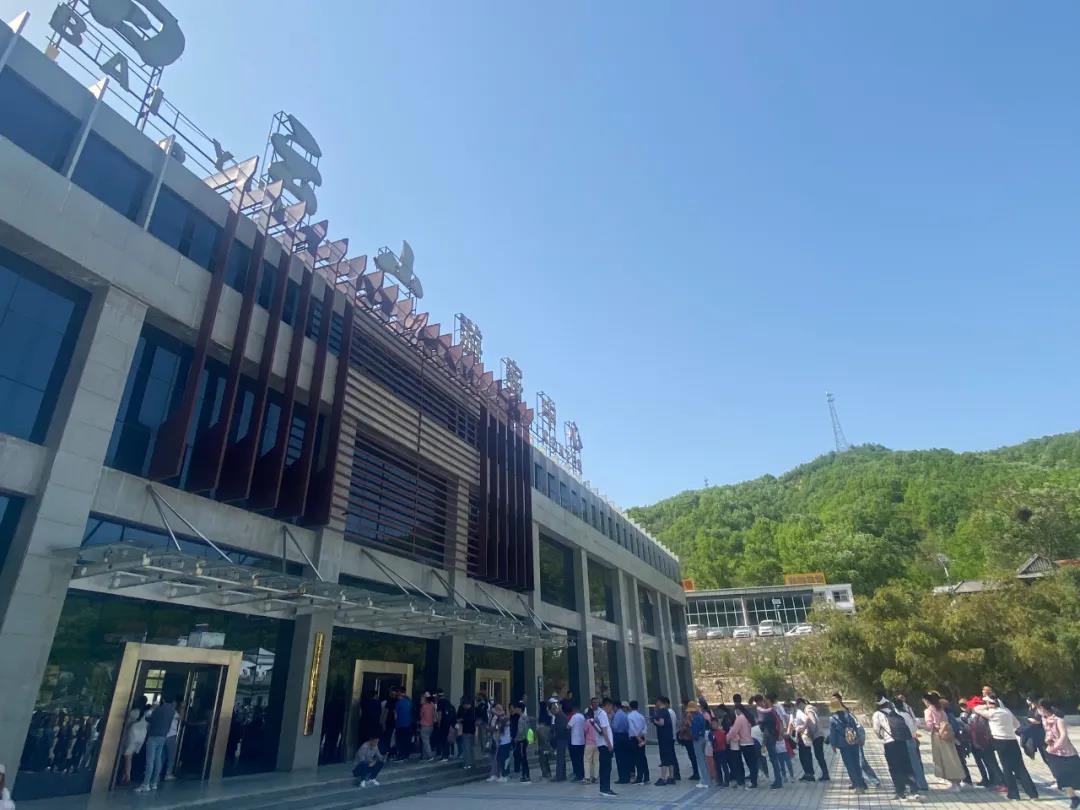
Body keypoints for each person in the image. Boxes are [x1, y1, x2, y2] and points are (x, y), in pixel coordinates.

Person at [973, 696, 1038, 801]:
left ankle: (1014, 794)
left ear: (991, 703)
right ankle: (1033, 794)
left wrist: (987, 705)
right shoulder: (1007, 711)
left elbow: (976, 709)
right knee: (1020, 767)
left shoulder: (992, 713)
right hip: (1012, 740)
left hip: (999, 741)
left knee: (1007, 768)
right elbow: (1017, 724)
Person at [872, 694, 921, 801]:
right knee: (906, 765)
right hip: (902, 741)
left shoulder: (877, 714)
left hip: (890, 743)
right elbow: (911, 727)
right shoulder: (896, 712)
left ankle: (900, 792)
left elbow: (876, 729)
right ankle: (914, 790)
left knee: (895, 768)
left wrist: (881, 736)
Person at [1038, 699, 1080, 809]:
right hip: (1054, 754)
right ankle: (1074, 798)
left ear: (1042, 708)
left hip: (1067, 753)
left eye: (1039, 708)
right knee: (1062, 777)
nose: (1038, 711)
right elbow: (1048, 732)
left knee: (1076, 776)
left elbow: (1063, 736)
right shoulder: (1044, 719)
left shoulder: (1058, 720)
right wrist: (1048, 742)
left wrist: (1055, 746)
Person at [923, 692, 965, 790]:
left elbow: (929, 726)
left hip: (938, 735)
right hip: (948, 734)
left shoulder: (928, 711)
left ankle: (953, 783)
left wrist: (918, 725)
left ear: (927, 701)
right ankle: (957, 781)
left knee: (944, 759)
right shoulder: (940, 709)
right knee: (952, 757)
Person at [136, 696, 176, 792]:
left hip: (153, 736)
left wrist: (153, 708)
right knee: (158, 759)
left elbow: (148, 717)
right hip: (163, 736)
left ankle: (146, 784)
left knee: (150, 760)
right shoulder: (172, 711)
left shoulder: (159, 709)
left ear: (164, 700)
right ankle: (154, 783)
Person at [828, 697, 867, 793]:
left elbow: (833, 734)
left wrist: (833, 745)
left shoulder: (833, 719)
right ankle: (860, 783)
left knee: (850, 765)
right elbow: (855, 728)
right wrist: (858, 739)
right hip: (854, 742)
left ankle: (858, 786)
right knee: (856, 764)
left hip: (844, 745)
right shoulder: (848, 715)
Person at [894, 695, 930, 791]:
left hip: (900, 741)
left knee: (905, 764)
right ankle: (921, 784)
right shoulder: (906, 713)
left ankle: (909, 784)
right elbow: (913, 726)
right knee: (915, 762)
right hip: (910, 739)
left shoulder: (895, 715)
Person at [756, 695, 786, 790]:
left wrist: (763, 743)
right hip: (773, 736)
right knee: (774, 759)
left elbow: (765, 727)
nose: (763, 703)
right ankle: (778, 780)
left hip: (769, 737)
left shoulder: (767, 712)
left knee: (774, 759)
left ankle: (778, 781)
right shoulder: (772, 711)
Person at [119, 699, 148, 786]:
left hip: (132, 735)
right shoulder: (145, 713)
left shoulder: (133, 712)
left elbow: (126, 724)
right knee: (130, 756)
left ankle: (127, 776)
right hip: (142, 736)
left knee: (127, 756)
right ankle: (125, 774)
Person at [729, 701, 757, 787]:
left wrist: (728, 738)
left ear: (738, 710)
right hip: (753, 742)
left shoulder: (740, 718)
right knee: (753, 763)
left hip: (745, 743)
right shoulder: (749, 716)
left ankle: (753, 782)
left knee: (749, 764)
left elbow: (734, 731)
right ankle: (754, 781)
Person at [652, 696, 677, 786]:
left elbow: (661, 723)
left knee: (664, 757)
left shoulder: (661, 711)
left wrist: (654, 721)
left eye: (656, 702)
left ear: (659, 702)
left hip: (663, 738)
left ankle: (663, 778)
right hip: (669, 737)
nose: (656, 704)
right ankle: (671, 777)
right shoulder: (667, 711)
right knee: (670, 757)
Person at [595, 697, 616, 797]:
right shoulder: (603, 714)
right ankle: (605, 789)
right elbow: (604, 731)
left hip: (602, 744)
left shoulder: (599, 713)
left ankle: (605, 788)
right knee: (606, 768)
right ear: (608, 705)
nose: (611, 709)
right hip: (605, 745)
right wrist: (609, 744)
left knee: (605, 767)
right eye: (611, 707)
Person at [685, 701, 709, 789]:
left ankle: (704, 781)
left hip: (697, 740)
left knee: (700, 760)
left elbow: (694, 731)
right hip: (703, 738)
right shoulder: (701, 716)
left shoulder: (694, 718)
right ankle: (707, 779)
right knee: (704, 760)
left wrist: (690, 723)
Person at [486, 704, 512, 783]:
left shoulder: (504, 719)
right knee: (500, 758)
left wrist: (493, 728)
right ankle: (502, 774)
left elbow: (500, 729)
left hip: (505, 741)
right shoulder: (498, 718)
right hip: (501, 741)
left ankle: (504, 775)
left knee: (502, 758)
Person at [510, 701, 533, 783]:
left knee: (523, 758)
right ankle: (526, 774)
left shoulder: (521, 719)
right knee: (524, 758)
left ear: (520, 709)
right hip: (526, 739)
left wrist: (516, 739)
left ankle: (525, 775)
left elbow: (520, 731)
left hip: (521, 740)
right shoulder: (526, 717)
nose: (515, 709)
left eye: (516, 708)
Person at [628, 700, 650, 785]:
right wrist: (641, 736)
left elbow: (632, 728)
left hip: (634, 739)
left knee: (637, 758)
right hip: (642, 737)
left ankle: (639, 777)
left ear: (630, 707)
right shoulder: (641, 716)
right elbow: (645, 727)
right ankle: (646, 777)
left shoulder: (630, 716)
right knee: (643, 757)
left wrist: (637, 738)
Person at [678, 701, 701, 782]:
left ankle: (696, 773)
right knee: (695, 756)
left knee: (692, 756)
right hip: (694, 737)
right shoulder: (697, 714)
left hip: (688, 738)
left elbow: (685, 726)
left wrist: (680, 732)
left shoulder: (688, 715)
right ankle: (697, 772)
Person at [611, 699, 631, 784]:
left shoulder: (617, 715)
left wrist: (611, 724)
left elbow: (615, 727)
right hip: (625, 736)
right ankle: (627, 776)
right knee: (626, 758)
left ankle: (622, 778)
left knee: (619, 758)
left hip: (618, 736)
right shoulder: (624, 714)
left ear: (615, 706)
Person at [163, 697, 181, 781]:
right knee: (171, 755)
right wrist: (183, 708)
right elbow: (181, 718)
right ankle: (168, 773)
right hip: (171, 735)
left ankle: (157, 772)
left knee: (162, 755)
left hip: (162, 735)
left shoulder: (161, 709)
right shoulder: (173, 711)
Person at [536, 696, 554, 779]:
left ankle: (545, 773)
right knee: (545, 756)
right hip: (547, 740)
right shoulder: (549, 717)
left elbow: (540, 730)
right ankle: (548, 772)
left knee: (542, 757)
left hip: (542, 742)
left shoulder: (541, 718)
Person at [568, 702, 586, 782]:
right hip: (582, 740)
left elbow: (568, 726)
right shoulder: (582, 717)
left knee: (576, 759)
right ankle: (583, 773)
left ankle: (578, 775)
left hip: (575, 741)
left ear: (574, 709)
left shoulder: (574, 717)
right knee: (581, 758)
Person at [709, 715, 729, 786]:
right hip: (715, 751)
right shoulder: (711, 733)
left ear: (717, 724)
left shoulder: (722, 732)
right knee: (717, 766)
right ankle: (720, 780)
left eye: (715, 724)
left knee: (724, 766)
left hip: (722, 751)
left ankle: (726, 781)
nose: (713, 725)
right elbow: (711, 742)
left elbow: (725, 741)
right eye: (712, 724)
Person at [552, 699, 569, 781]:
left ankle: (559, 776)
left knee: (560, 758)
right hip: (562, 738)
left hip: (561, 739)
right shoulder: (560, 716)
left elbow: (561, 729)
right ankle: (562, 775)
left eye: (553, 709)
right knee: (561, 758)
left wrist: (555, 736)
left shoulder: (560, 716)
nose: (552, 711)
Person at [394, 689, 413, 761]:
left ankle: (400, 755)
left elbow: (395, 716)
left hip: (400, 724)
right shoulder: (409, 702)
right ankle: (406, 755)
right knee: (406, 740)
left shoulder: (398, 703)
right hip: (408, 724)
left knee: (400, 741)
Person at [457, 696, 476, 769]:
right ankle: (471, 762)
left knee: (466, 748)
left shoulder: (469, 711)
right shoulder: (472, 710)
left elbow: (467, 720)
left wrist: (462, 720)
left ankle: (467, 763)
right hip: (471, 731)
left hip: (467, 731)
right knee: (470, 748)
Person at [436, 689, 455, 761]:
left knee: (443, 740)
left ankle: (444, 756)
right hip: (449, 723)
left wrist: (439, 723)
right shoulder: (448, 702)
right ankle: (447, 754)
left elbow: (440, 714)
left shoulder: (440, 702)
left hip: (443, 723)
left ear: (437, 695)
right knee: (447, 739)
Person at [583, 702, 599, 783]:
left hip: (589, 743)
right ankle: (595, 777)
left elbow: (585, 731)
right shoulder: (596, 721)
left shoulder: (587, 722)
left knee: (587, 761)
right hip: (597, 743)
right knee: (596, 761)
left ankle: (587, 778)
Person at [418, 693, 436, 760]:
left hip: (424, 726)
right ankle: (424, 756)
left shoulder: (424, 706)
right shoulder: (432, 705)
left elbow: (421, 715)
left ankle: (430, 755)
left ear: (425, 699)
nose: (421, 700)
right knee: (425, 741)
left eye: (422, 699)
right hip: (431, 726)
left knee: (425, 742)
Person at [475, 688, 490, 760]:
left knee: (483, 736)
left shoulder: (485, 704)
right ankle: (482, 749)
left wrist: (481, 720)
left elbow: (484, 713)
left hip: (484, 721)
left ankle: (485, 750)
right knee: (480, 736)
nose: (478, 697)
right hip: (480, 721)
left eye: (479, 696)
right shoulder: (479, 703)